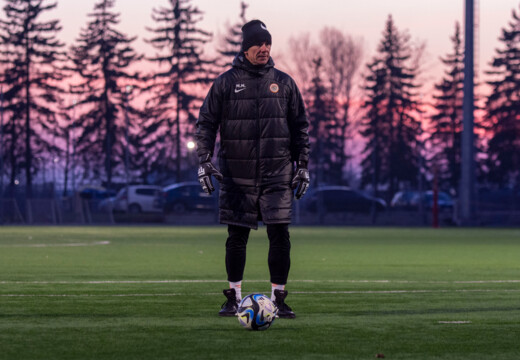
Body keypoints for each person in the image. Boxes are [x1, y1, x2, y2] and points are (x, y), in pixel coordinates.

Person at [195, 19, 310, 319]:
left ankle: (279, 299)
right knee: (236, 237)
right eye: (258, 43)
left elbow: (300, 127)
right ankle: (233, 297)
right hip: (237, 173)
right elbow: (206, 123)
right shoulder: (225, 83)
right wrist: (204, 161)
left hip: (277, 174)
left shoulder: (284, 83)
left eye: (268, 43)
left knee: (280, 235)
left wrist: (304, 165)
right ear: (245, 48)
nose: (264, 48)